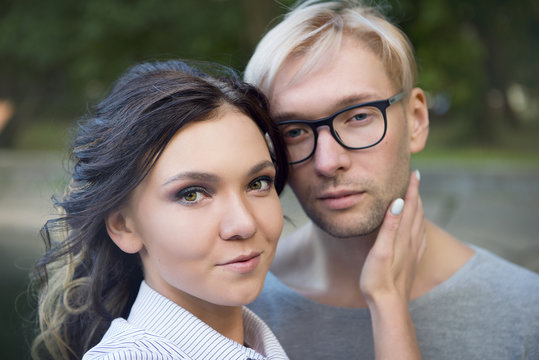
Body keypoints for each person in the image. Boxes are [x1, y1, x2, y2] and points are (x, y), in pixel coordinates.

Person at [31, 59, 426, 360]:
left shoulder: (255, 342)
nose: (243, 224)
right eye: (192, 194)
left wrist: (387, 299)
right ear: (123, 225)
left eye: (258, 183)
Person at [244, 1, 539, 359]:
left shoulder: (525, 312)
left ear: (416, 120)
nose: (328, 162)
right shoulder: (239, 300)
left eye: (358, 117)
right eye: (293, 131)